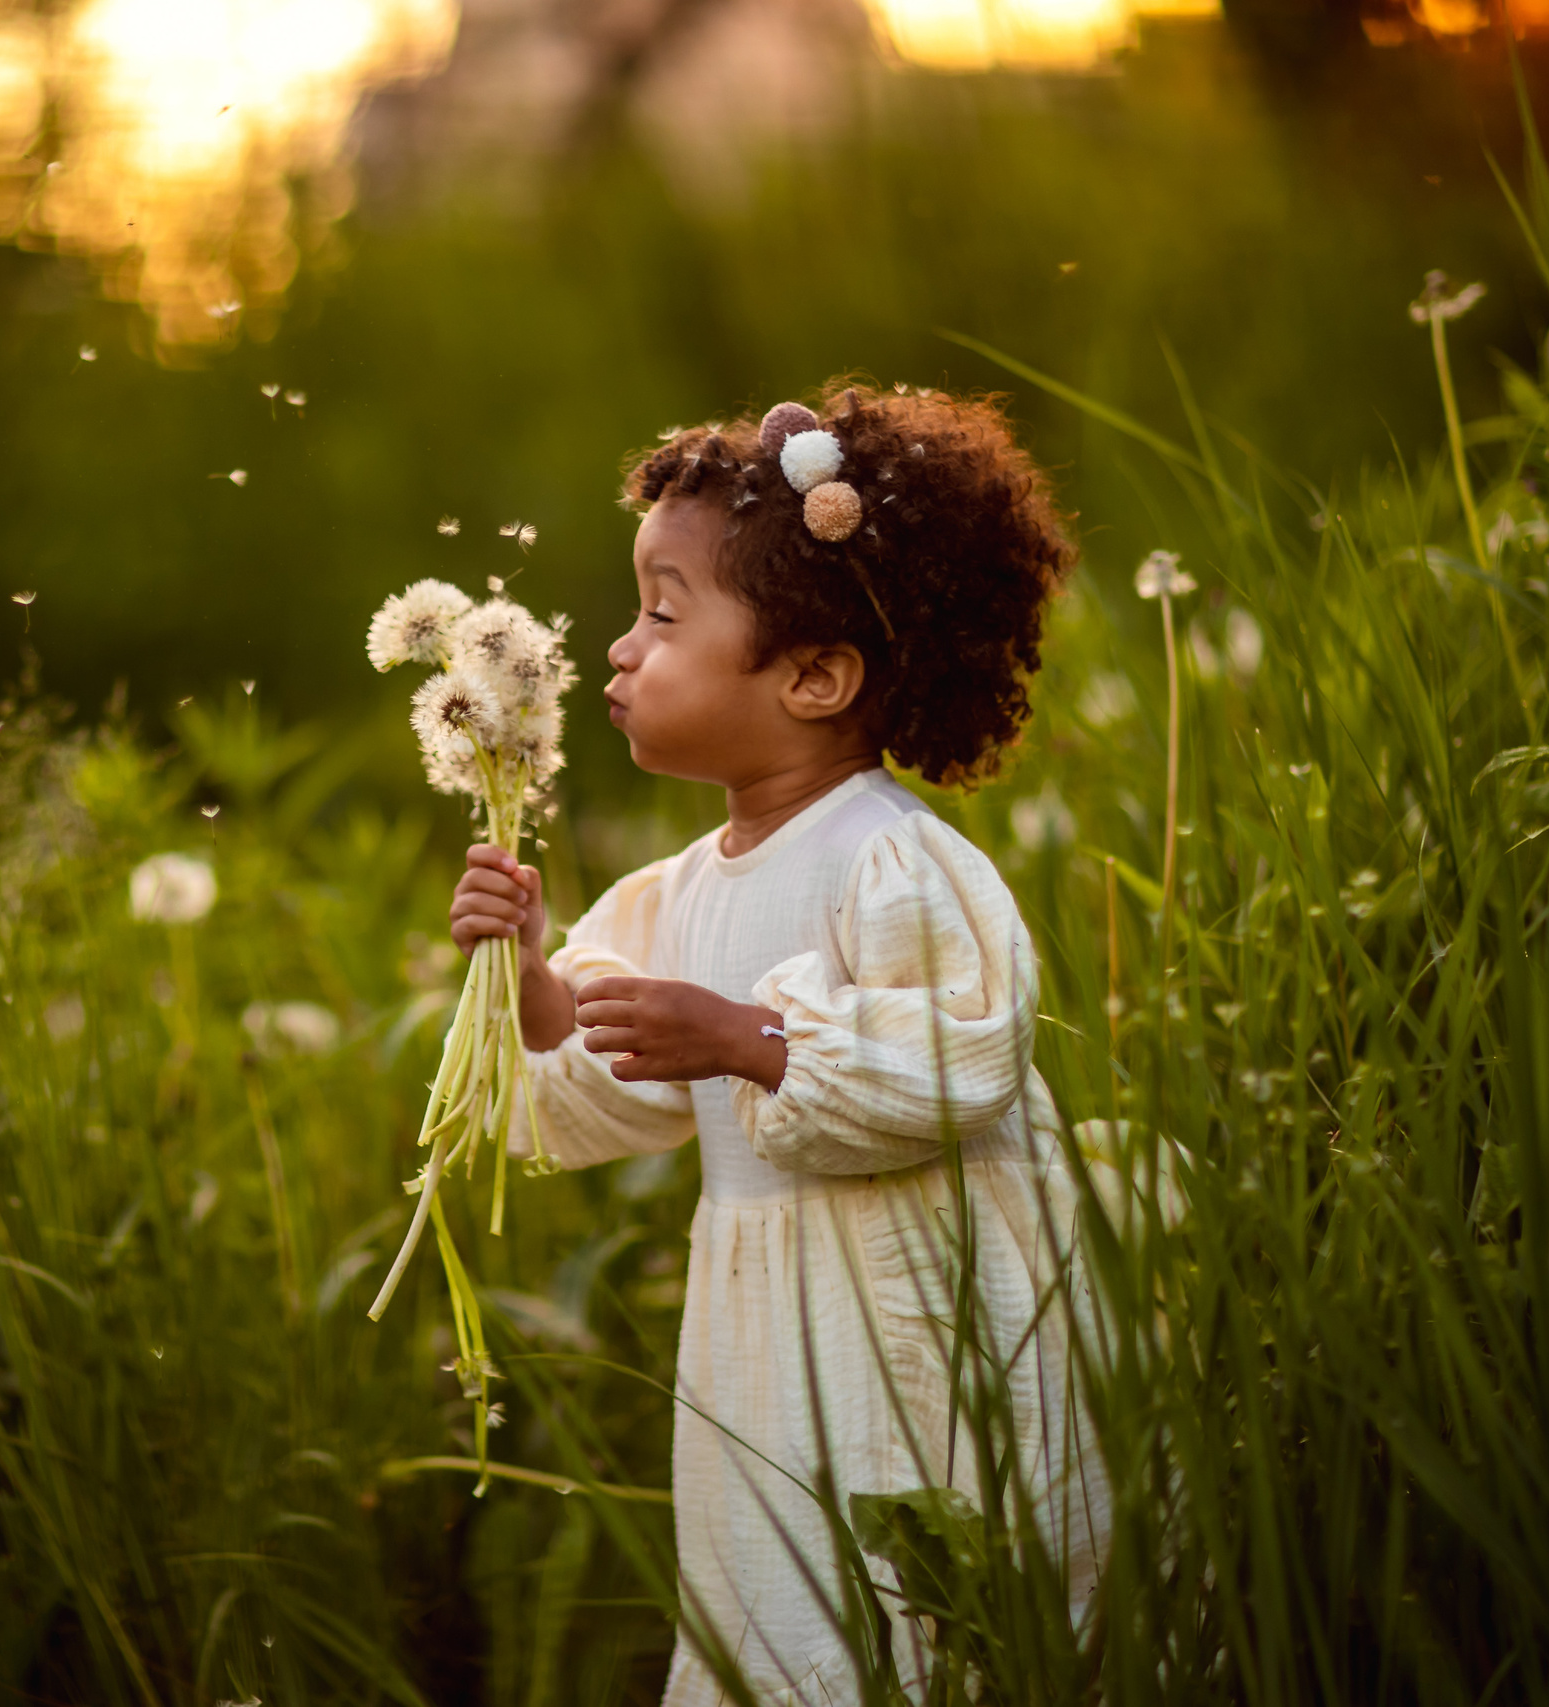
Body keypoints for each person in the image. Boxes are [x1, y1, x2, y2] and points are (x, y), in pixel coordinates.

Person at [450, 382, 1104, 1703]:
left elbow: (960, 1060)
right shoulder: (684, 892)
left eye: (663, 614)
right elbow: (600, 1068)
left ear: (814, 675)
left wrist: (753, 1039)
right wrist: (524, 978)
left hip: (912, 1321)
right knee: (781, 1599)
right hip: (761, 1339)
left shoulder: (894, 862)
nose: (622, 649)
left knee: (920, 1599)